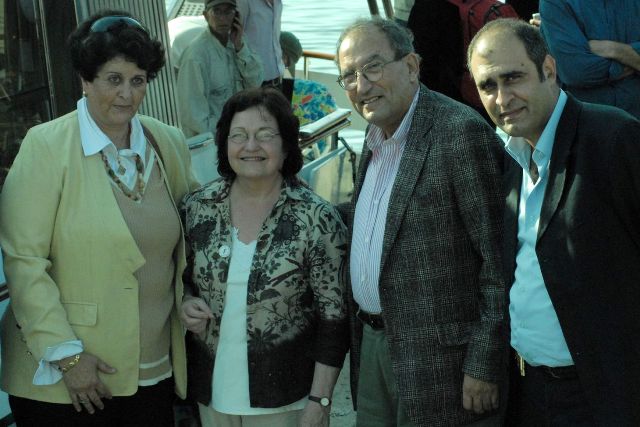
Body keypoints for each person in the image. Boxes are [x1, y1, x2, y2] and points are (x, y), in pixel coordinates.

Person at [0, 10, 197, 426]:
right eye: (113, 79)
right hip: (66, 382)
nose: (126, 94)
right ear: (86, 81)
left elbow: (196, 232)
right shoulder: (46, 147)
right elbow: (24, 263)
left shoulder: (168, 143)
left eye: (138, 80)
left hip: (154, 371)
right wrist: (68, 357)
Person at [467, 18, 640, 425]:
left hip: (602, 397)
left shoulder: (614, 140)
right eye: (487, 86)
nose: (502, 97)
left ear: (548, 69)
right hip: (529, 393)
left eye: (513, 78)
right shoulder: (509, 158)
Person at [336, 18, 506, 427]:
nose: (361, 86)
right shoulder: (373, 138)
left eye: (373, 68)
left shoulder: (460, 133)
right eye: (348, 76)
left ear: (412, 66)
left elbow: (498, 261)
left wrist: (484, 363)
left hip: (442, 365)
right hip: (374, 347)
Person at [179, 87, 349, 427]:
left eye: (264, 135)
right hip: (211, 395)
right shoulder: (198, 208)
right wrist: (184, 303)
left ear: (286, 145)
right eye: (238, 135)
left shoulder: (317, 218)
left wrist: (320, 400)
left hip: (288, 399)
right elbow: (181, 282)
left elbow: (335, 320)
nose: (250, 146)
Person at [539, 0, 640, 119]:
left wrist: (616, 50)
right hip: (587, 124)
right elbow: (575, 71)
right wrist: (633, 60)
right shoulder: (555, 3)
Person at [176, 0, 263, 138]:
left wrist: (240, 48)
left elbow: (256, 82)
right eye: (217, 11)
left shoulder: (238, 43)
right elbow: (194, 118)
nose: (223, 18)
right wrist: (226, 136)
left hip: (239, 133)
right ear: (206, 16)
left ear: (236, 16)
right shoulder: (195, 56)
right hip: (214, 141)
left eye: (228, 11)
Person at [236, 0, 284, 89]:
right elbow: (234, 38)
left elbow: (273, 38)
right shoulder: (244, 2)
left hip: (278, 79)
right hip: (254, 84)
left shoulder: (278, 2)